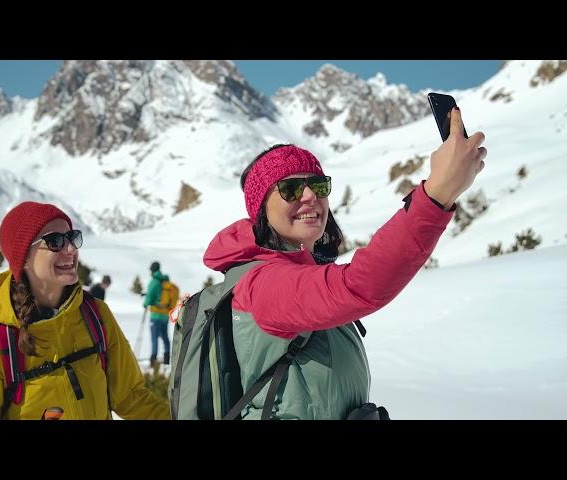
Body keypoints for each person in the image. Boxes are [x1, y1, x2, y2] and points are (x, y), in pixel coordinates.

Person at [202, 109, 486, 419]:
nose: (310, 195)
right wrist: (437, 194)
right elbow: (360, 285)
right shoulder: (263, 285)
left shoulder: (295, 273)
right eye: (290, 189)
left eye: (319, 185)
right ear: (260, 210)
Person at [0, 201, 170, 420]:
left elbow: (131, 397)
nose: (70, 249)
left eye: (72, 238)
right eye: (55, 241)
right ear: (23, 257)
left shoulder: (95, 315)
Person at [143, 261, 171, 367]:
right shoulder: (165, 280)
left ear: (152, 270)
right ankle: (167, 359)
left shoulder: (154, 281)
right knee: (165, 337)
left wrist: (145, 304)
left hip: (156, 316)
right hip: (165, 315)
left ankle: (153, 361)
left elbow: (149, 298)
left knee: (154, 338)